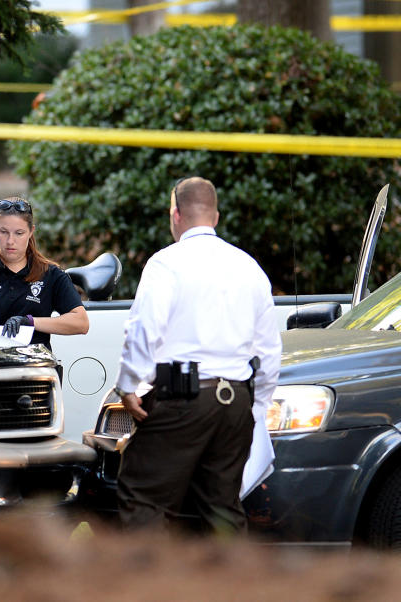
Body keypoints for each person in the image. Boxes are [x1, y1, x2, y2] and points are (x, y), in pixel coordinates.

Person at [113, 177, 281, 535]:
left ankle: (148, 587)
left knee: (143, 498)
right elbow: (269, 350)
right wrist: (257, 406)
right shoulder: (249, 267)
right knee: (222, 509)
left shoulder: (166, 263)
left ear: (175, 214)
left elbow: (144, 330)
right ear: (216, 216)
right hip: (235, 402)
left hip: (183, 398)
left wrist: (128, 385)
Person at [0, 197, 88, 349]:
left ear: (31, 231)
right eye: (4, 232)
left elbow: (81, 323)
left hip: (34, 367)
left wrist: (30, 322)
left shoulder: (50, 274)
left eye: (19, 233)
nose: (10, 241)